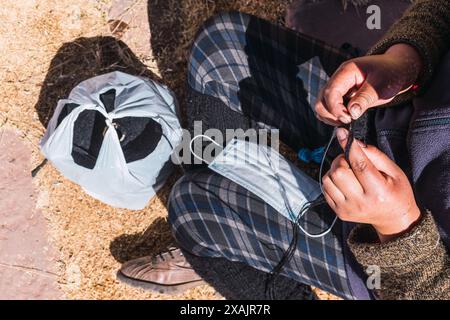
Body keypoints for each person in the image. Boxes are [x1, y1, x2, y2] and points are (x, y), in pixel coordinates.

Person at [118, 0, 450, 299]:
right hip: (383, 112)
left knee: (190, 208)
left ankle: (219, 240)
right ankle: (226, 245)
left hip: (394, 254)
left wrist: (398, 228)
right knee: (218, 50)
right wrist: (407, 59)